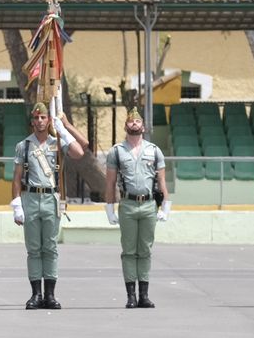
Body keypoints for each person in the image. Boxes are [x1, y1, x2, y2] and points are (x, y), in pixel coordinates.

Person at [11, 101, 89, 310]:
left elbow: (81, 150)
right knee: (34, 249)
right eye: (36, 118)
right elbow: (17, 177)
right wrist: (16, 204)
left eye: (43, 117)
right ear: (32, 121)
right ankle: (36, 294)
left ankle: (50, 294)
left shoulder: (57, 143)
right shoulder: (24, 145)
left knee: (51, 248)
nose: (39, 121)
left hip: (50, 199)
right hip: (30, 198)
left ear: (48, 120)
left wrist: (65, 127)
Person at [103, 108, 171, 308]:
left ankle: (144, 295)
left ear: (144, 126)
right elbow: (110, 183)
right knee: (129, 251)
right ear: (126, 126)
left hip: (149, 204)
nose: (134, 124)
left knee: (146, 250)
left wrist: (165, 207)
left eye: (138, 121)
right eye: (131, 121)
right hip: (128, 204)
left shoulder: (154, 150)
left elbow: (162, 181)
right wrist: (109, 208)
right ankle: (131, 295)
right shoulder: (117, 151)